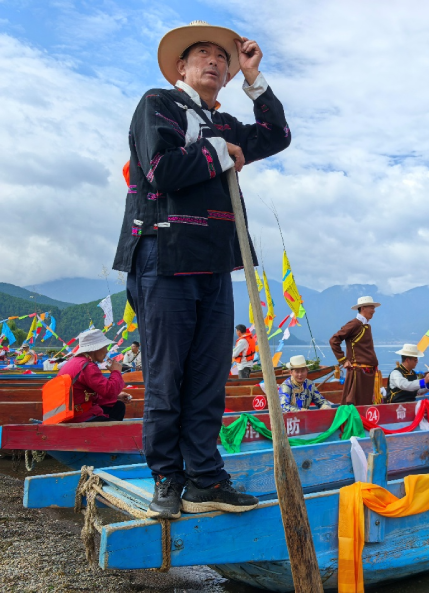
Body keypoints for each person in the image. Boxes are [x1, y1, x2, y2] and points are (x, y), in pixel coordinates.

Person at [113, 21, 289, 518]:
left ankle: (206, 479)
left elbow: (277, 135)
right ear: (182, 67)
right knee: (167, 378)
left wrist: (255, 79)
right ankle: (168, 478)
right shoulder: (159, 104)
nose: (215, 61)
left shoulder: (227, 122)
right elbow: (160, 170)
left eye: (223, 58)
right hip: (163, 256)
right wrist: (219, 153)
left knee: (209, 378)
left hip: (215, 261)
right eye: (203, 54)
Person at [57, 330, 132, 423]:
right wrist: (116, 372)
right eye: (105, 347)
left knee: (118, 406)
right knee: (118, 428)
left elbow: (88, 394)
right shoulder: (88, 366)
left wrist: (116, 397)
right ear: (96, 348)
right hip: (79, 416)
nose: (107, 350)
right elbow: (110, 391)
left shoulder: (75, 362)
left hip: (71, 412)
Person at [329, 296, 381, 406]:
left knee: (366, 404)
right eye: (371, 307)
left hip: (367, 373)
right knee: (356, 404)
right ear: (363, 308)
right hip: (358, 372)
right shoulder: (354, 324)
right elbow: (334, 340)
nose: (374, 310)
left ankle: (363, 423)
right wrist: (343, 360)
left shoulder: (365, 325)